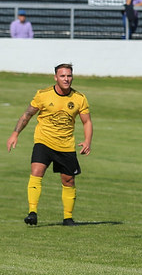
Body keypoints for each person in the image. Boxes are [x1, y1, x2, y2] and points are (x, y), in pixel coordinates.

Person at [6, 63, 93, 227]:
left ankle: (68, 218)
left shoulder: (79, 98)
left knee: (68, 181)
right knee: (36, 172)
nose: (66, 79)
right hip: (44, 142)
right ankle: (32, 213)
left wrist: (88, 140)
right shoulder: (43, 95)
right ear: (55, 77)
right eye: (62, 76)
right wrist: (15, 133)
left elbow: (87, 121)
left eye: (69, 76)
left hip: (66, 145)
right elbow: (27, 114)